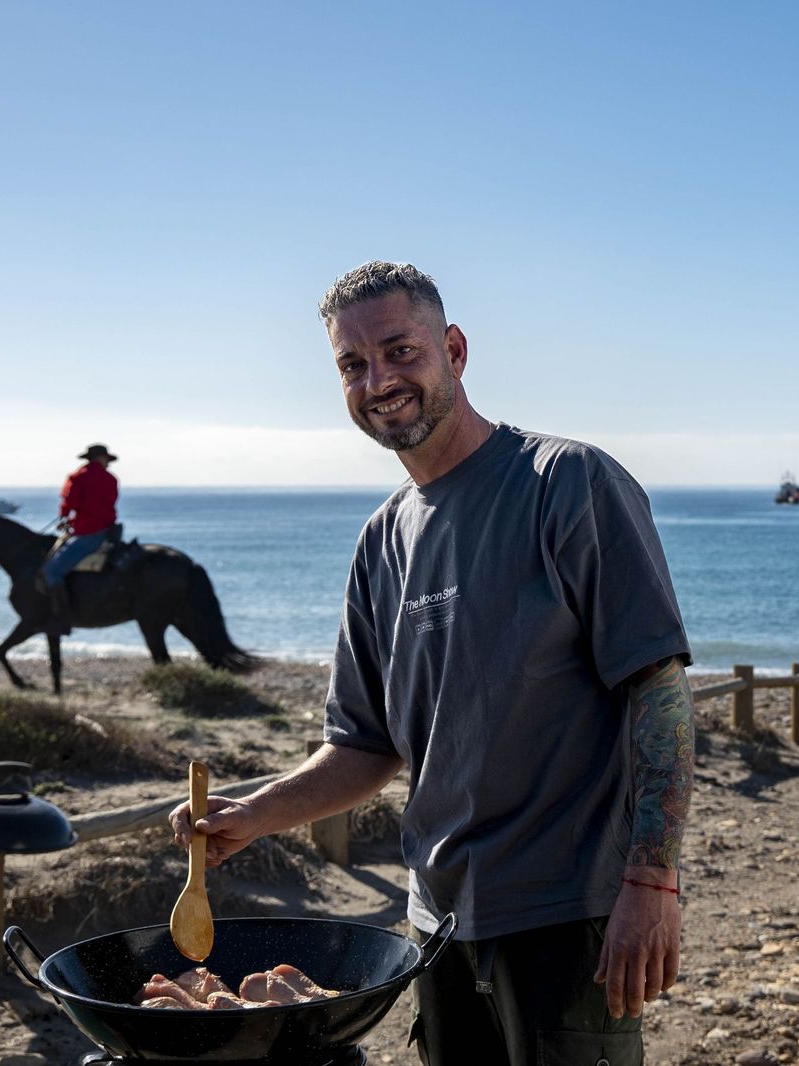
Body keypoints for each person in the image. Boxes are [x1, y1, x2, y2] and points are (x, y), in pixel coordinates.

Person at [169, 262, 694, 1066]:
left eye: (400, 351)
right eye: (353, 364)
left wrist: (652, 884)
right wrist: (253, 815)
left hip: (567, 915)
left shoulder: (567, 482)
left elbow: (658, 691)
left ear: (453, 349)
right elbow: (364, 748)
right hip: (438, 925)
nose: (378, 380)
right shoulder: (381, 542)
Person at [41, 444, 120, 635]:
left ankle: (62, 619)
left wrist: (65, 517)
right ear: (101, 459)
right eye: (106, 460)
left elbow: (70, 501)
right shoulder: (111, 479)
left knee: (52, 571)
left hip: (88, 533)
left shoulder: (78, 477)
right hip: (109, 532)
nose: (107, 464)